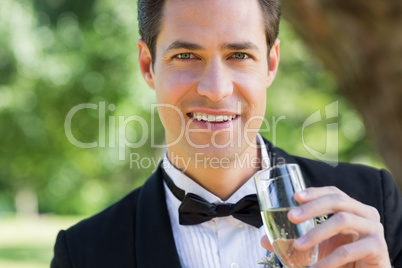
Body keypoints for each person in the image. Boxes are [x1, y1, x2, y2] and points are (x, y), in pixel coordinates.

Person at [51, 0, 402, 267]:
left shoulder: (373, 205)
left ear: (271, 62)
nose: (216, 90)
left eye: (239, 54)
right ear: (148, 66)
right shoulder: (82, 253)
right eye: (187, 55)